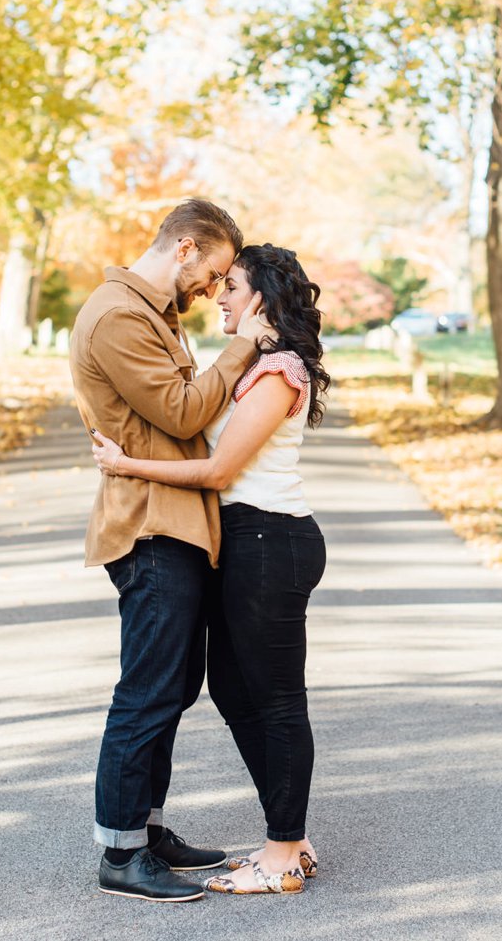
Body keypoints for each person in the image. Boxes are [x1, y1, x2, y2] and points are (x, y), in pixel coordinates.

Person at [92, 243, 331, 896]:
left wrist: (127, 465)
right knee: (231, 688)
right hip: (247, 541)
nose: (220, 295)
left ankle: (284, 851)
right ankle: (291, 835)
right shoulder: (256, 360)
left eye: (233, 285)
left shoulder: (279, 367)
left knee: (277, 701)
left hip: (271, 539)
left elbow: (221, 469)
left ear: (259, 297)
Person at [70, 199, 272, 903]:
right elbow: (185, 411)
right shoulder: (121, 314)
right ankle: (121, 854)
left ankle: (147, 831)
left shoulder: (154, 312)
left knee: (173, 688)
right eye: (214, 272)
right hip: (151, 528)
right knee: (148, 690)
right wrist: (245, 343)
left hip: (178, 523)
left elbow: (180, 410)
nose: (214, 289)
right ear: (186, 247)